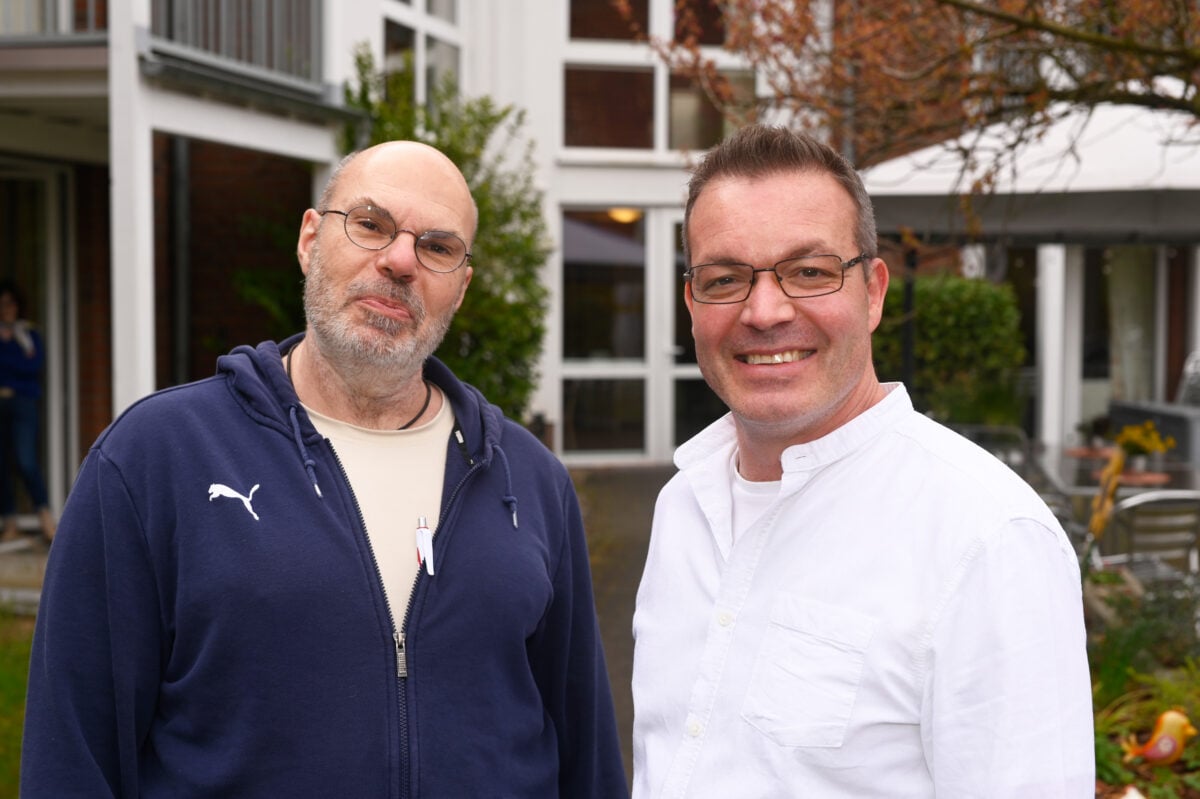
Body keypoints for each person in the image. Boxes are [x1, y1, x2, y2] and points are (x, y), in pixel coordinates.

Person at [22, 141, 629, 798]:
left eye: (437, 247)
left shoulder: (529, 480)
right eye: (370, 224)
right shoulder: (156, 457)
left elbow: (587, 752)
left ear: (460, 287)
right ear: (310, 240)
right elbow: (72, 753)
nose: (400, 260)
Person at [631, 125, 1094, 797]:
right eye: (724, 278)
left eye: (809, 272)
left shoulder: (987, 537)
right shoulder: (682, 506)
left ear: (873, 292)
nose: (764, 311)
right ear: (692, 303)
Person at [0, 280, 54, 543]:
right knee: (1, 464)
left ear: (18, 305)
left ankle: (45, 517)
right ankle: (10, 522)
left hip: (23, 403)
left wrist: (8, 359)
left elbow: (33, 366)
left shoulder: (28, 335)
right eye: (1, 305)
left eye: (9, 303)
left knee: (26, 460)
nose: (5, 309)